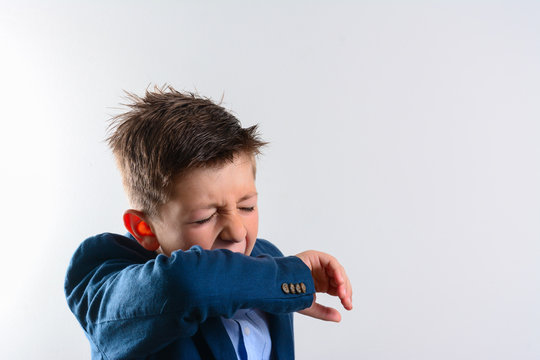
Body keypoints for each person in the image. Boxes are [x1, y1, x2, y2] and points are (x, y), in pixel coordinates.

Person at [64, 86, 353, 359]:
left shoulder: (268, 259)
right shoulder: (103, 278)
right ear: (145, 228)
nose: (237, 231)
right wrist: (288, 276)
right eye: (205, 217)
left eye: (247, 206)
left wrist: (281, 275)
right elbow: (186, 283)